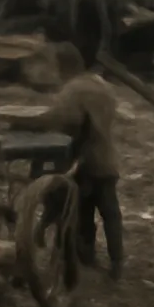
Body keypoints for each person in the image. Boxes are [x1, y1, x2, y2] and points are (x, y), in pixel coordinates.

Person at [40, 41, 124, 281]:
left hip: (84, 160)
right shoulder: (102, 85)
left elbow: (69, 124)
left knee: (83, 209)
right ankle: (117, 261)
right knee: (111, 213)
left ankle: (86, 254)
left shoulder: (72, 90)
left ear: (62, 66)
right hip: (107, 158)